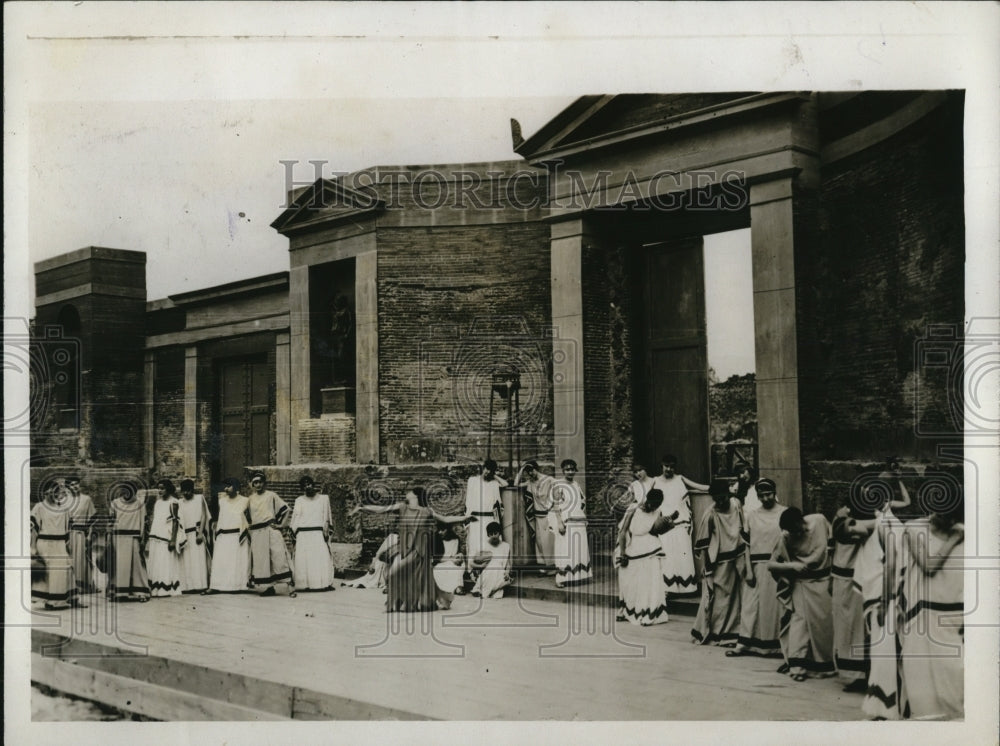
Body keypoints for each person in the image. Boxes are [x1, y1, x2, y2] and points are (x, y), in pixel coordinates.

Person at [352, 486, 473, 612]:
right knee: (401, 574)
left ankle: (408, 602)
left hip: (419, 552)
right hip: (404, 548)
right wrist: (363, 507)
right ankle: (402, 603)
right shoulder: (402, 507)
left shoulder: (427, 512)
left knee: (398, 572)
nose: (408, 495)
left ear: (416, 497)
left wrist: (464, 518)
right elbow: (383, 509)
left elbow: (445, 519)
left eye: (411, 494)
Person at [897, 498, 964, 719]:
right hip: (923, 614)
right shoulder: (915, 529)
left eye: (952, 517)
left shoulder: (964, 531)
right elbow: (928, 565)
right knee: (922, 677)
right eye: (943, 515)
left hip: (954, 617)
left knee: (955, 673)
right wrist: (953, 540)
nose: (948, 521)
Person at [767, 507, 835, 681]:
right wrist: (792, 566)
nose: (797, 534)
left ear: (802, 520)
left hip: (823, 582)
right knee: (800, 622)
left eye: (798, 529)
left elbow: (834, 545)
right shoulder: (786, 536)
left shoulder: (819, 520)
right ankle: (797, 666)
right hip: (802, 583)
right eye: (793, 532)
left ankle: (823, 665)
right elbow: (771, 565)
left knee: (823, 625)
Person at [727, 478, 786, 658]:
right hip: (756, 565)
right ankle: (744, 644)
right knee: (751, 606)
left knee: (774, 607)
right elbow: (746, 545)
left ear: (774, 493)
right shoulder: (751, 515)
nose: (766, 498)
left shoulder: (785, 512)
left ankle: (777, 646)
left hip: (777, 567)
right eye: (762, 495)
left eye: (768, 494)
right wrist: (749, 569)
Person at [691, 480, 746, 645]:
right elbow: (704, 542)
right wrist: (706, 569)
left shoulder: (736, 504)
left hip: (739, 555)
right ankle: (716, 633)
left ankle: (734, 632)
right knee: (721, 598)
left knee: (738, 595)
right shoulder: (710, 514)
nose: (720, 502)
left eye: (723, 498)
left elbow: (743, 527)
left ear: (729, 495)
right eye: (716, 499)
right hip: (720, 561)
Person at [652, 454, 709, 597]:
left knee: (682, 554)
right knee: (668, 555)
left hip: (681, 523)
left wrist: (720, 488)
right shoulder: (655, 481)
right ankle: (668, 589)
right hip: (665, 525)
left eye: (672, 466)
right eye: (666, 466)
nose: (669, 469)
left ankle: (686, 588)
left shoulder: (680, 479)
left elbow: (700, 487)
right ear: (662, 465)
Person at [831, 502, 872, 692]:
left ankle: (864, 675)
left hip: (858, 581)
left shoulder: (864, 526)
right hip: (841, 580)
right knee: (845, 628)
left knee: (859, 628)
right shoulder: (841, 522)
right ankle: (852, 674)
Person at [617, 488, 670, 626]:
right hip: (634, 547)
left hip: (652, 549)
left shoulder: (658, 512)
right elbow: (623, 532)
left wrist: (667, 525)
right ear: (647, 499)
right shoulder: (633, 508)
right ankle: (628, 610)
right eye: (651, 503)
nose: (653, 507)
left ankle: (649, 612)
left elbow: (656, 530)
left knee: (650, 581)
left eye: (657, 505)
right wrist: (622, 553)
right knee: (630, 581)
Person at [246, 471, 296, 597]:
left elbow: (286, 510)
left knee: (279, 557)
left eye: (260, 482)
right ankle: (269, 588)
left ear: (264, 483)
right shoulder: (250, 499)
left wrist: (281, 525)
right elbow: (246, 516)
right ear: (252, 484)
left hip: (270, 530)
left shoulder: (271, 495)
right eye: (255, 482)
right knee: (262, 561)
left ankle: (290, 587)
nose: (258, 485)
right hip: (257, 533)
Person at [30, 481, 76, 609]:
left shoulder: (64, 508)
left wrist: (68, 545)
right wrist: (33, 548)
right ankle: (50, 601)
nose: (55, 493)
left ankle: (63, 599)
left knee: (63, 570)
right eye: (52, 491)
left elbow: (68, 529)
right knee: (49, 572)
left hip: (60, 543)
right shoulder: (39, 507)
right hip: (45, 543)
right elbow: (33, 529)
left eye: (57, 491)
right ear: (45, 493)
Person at [550, 459, 592, 588]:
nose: (570, 472)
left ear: (575, 470)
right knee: (565, 549)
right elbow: (555, 505)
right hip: (565, 521)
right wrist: (559, 522)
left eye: (572, 469)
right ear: (563, 471)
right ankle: (561, 578)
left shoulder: (576, 484)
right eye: (567, 469)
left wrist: (581, 516)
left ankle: (579, 576)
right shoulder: (558, 485)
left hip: (578, 520)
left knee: (579, 548)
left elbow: (582, 502)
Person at [290, 476, 335, 592]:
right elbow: (296, 517)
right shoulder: (299, 500)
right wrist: (294, 531)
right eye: (304, 485)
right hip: (303, 534)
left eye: (309, 484)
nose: (307, 487)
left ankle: (323, 583)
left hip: (317, 533)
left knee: (320, 557)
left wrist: (326, 529)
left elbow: (327, 517)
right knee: (304, 560)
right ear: (302, 488)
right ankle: (305, 584)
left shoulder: (324, 499)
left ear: (313, 485)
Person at [107, 483, 150, 602]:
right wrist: (109, 538)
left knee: (137, 565)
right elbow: (110, 522)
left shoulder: (140, 504)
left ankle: (141, 592)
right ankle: (119, 592)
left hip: (134, 537)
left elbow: (144, 523)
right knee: (119, 565)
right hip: (118, 538)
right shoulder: (115, 503)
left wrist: (142, 539)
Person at [208, 477, 251, 593]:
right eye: (225, 486)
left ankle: (236, 586)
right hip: (224, 535)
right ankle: (218, 586)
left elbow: (249, 518)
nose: (226, 488)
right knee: (222, 561)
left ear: (236, 486)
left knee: (236, 562)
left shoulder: (245, 500)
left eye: (229, 486)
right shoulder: (221, 501)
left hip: (237, 535)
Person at [464, 460, 506, 575]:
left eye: (491, 471)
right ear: (483, 468)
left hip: (489, 519)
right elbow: (468, 501)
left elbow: (506, 484)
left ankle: (489, 571)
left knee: (490, 544)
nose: (488, 472)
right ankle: (473, 571)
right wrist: (467, 519)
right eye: (487, 469)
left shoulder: (494, 483)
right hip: (475, 518)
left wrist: (495, 475)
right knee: (474, 544)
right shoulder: (472, 481)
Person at [514, 460, 556, 574]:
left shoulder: (549, 479)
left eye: (531, 470)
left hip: (548, 515)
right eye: (528, 471)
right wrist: (521, 469)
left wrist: (552, 504)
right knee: (539, 542)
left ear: (536, 469)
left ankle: (552, 567)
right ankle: (543, 566)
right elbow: (515, 484)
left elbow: (561, 486)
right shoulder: (530, 482)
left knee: (549, 542)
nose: (530, 473)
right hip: (537, 516)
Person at [146, 479, 186, 597]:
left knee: (165, 562)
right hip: (156, 536)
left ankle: (166, 588)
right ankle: (156, 587)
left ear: (168, 489)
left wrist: (173, 539)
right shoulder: (158, 503)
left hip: (166, 537)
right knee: (156, 561)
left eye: (162, 488)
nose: (160, 490)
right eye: (159, 488)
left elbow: (175, 522)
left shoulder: (174, 502)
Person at [177, 479, 211, 594]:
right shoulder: (179, 502)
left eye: (188, 491)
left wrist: (201, 532)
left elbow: (204, 516)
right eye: (184, 491)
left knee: (198, 560)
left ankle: (200, 585)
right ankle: (187, 586)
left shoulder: (199, 498)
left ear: (192, 490)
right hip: (185, 535)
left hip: (196, 533)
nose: (186, 493)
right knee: (186, 560)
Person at [65, 475, 97, 594]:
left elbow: (91, 519)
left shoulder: (86, 499)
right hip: (68, 533)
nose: (75, 486)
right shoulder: (64, 500)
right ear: (68, 487)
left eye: (76, 484)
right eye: (72, 485)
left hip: (82, 533)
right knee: (69, 559)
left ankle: (85, 585)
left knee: (83, 559)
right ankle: (70, 586)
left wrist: (90, 535)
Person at [470, 522, 512, 599]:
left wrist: (507, 572)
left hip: (500, 572)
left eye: (495, 533)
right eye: (491, 534)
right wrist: (481, 566)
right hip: (484, 571)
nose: (493, 536)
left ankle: (480, 589)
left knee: (497, 568)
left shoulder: (505, 546)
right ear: (488, 535)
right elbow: (471, 563)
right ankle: (492, 590)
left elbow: (508, 564)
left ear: (499, 533)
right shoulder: (482, 545)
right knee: (493, 566)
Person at [432, 525, 465, 608]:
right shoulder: (436, 539)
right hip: (441, 562)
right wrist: (450, 559)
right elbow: (436, 558)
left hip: (452, 561)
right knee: (440, 570)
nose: (440, 532)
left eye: (443, 530)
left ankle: (457, 587)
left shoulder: (455, 539)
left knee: (457, 566)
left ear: (448, 530)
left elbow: (456, 553)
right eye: (439, 530)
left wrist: (459, 555)